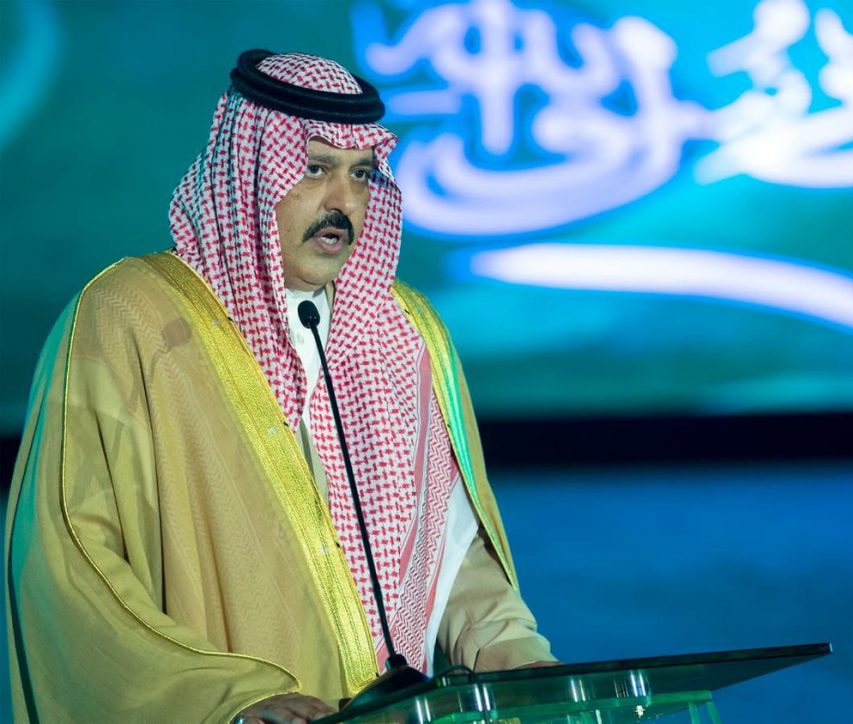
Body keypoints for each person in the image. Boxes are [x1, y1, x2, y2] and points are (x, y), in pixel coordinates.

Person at [5, 50, 554, 723]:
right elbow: (70, 560)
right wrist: (230, 698)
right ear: (251, 172)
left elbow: (448, 553)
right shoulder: (132, 318)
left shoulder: (405, 332)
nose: (343, 203)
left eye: (361, 174)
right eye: (316, 168)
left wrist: (518, 660)